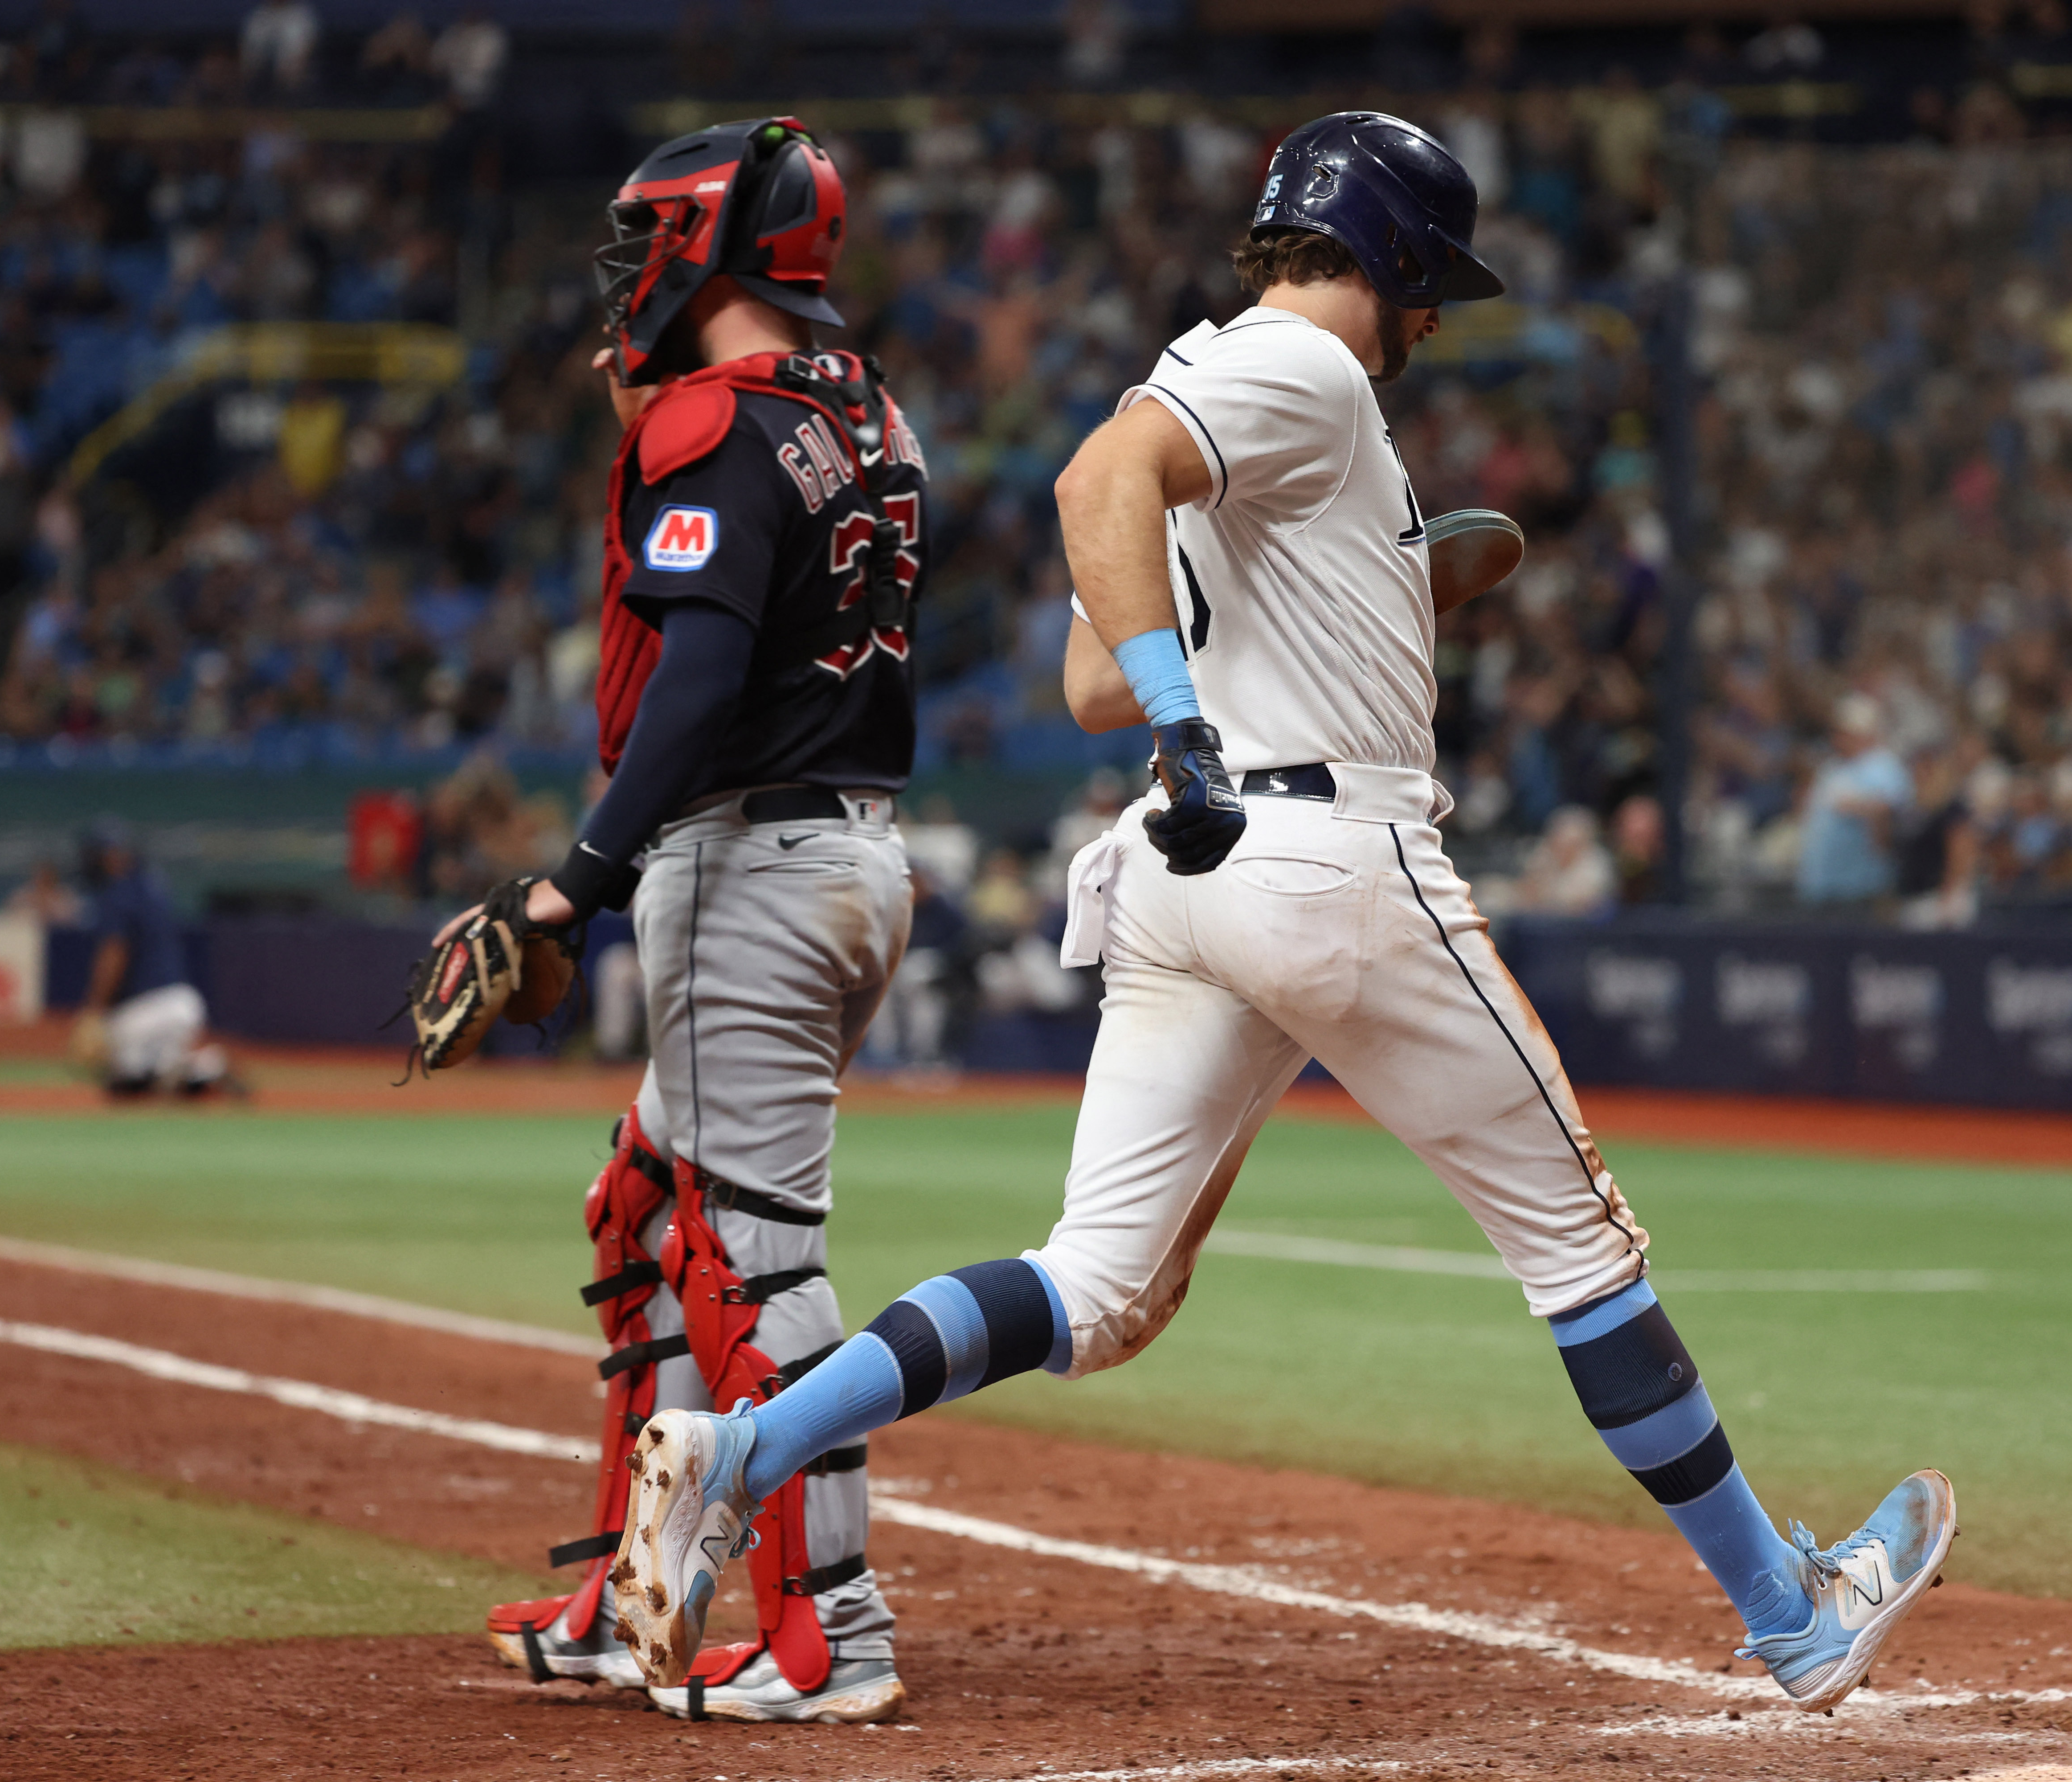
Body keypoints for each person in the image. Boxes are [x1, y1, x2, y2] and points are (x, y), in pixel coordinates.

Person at [609, 110, 1955, 1721]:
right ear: (1383, 257)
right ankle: (1790, 1611)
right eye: (1427, 281)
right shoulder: (1302, 368)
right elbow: (1096, 482)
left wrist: (1311, 619)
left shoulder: (1244, 391)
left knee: (1091, 1280)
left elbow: (1082, 670)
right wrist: (1194, 716)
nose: (1432, 321)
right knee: (1581, 1250)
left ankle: (740, 1448)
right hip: (1325, 858)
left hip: (1193, 880)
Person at [467, 116, 932, 1726]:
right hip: (843, 849)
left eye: (639, 243)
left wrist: (567, 882)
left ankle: (833, 1630)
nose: (622, 275)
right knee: (644, 1208)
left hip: (751, 865)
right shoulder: (858, 398)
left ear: (696, 247)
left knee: (748, 1258)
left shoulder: (714, 424)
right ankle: (641, 1598)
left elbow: (693, 684)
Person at [71, 819, 236, 1098]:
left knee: (123, 1083)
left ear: (109, 856)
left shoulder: (117, 894)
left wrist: (95, 1009)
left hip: (142, 1011)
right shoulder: (153, 885)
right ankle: (206, 1066)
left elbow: (115, 954)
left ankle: (151, 1074)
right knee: (159, 1073)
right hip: (184, 1003)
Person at [1795, 692, 1912, 907]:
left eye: (1846, 732)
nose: (1838, 738)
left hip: (1861, 889)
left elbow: (1890, 811)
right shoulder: (1832, 767)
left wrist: (1858, 806)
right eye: (1838, 731)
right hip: (1823, 886)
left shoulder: (1882, 765)